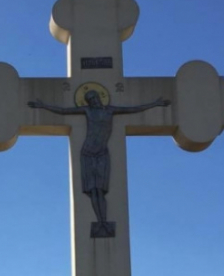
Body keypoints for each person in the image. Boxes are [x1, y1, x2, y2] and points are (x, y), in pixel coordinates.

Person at [28, 91, 170, 238]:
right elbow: (64, 111)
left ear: (99, 97)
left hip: (102, 152)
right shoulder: (87, 111)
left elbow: (133, 109)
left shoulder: (110, 110)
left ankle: (103, 221)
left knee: (101, 190)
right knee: (93, 190)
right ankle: (100, 222)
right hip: (88, 152)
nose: (93, 101)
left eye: (94, 97)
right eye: (89, 99)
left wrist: (154, 104)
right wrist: (43, 106)